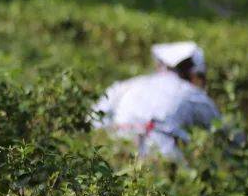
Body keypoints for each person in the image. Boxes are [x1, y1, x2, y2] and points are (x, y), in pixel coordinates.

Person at [91, 41, 220, 164]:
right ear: (192, 74)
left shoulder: (129, 84)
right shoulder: (192, 93)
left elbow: (94, 119)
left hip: (116, 150)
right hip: (160, 157)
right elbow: (223, 131)